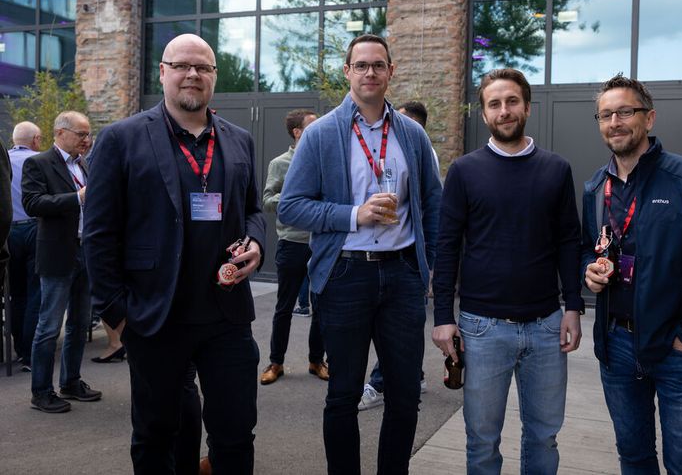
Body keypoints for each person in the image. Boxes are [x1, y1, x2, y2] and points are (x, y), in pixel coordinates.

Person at [83, 33, 266, 474]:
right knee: (155, 434)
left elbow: (254, 210)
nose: (192, 75)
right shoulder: (121, 139)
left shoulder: (238, 139)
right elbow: (98, 234)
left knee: (236, 433)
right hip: (154, 318)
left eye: (203, 67)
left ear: (214, 78)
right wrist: (118, 314)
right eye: (182, 65)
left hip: (227, 317)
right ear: (162, 72)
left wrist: (257, 243)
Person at [279, 34, 442, 475]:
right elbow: (291, 205)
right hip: (345, 275)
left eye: (379, 65)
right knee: (343, 394)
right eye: (361, 65)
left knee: (405, 393)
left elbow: (433, 203)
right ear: (347, 72)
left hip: (403, 275)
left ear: (391, 72)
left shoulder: (412, 134)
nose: (370, 72)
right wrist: (354, 215)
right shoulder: (320, 134)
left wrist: (429, 270)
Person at [582, 74, 682, 474]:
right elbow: (589, 248)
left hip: (680, 349)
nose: (615, 121)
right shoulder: (594, 189)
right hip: (617, 345)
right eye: (606, 114)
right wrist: (588, 271)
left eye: (625, 111)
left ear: (649, 118)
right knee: (634, 458)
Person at [432, 68, 583, 475]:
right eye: (495, 104)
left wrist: (573, 306)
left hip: (547, 326)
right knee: (481, 440)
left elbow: (570, 241)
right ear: (484, 114)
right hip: (482, 329)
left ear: (527, 107)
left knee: (543, 436)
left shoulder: (556, 169)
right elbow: (446, 248)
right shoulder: (464, 171)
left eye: (512, 101)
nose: (504, 111)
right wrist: (443, 317)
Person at [21, 111, 101, 413]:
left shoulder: (84, 164)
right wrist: (76, 197)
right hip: (57, 253)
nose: (86, 140)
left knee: (80, 324)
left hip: (85, 251)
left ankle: (70, 381)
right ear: (60, 133)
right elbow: (33, 203)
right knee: (49, 326)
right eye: (81, 134)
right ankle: (41, 391)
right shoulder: (38, 163)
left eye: (88, 134)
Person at [359, 101, 433, 411]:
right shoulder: (345, 138)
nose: (388, 128)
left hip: (403, 261)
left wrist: (427, 264)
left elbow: (433, 205)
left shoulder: (419, 150)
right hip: (355, 263)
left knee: (398, 338)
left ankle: (384, 381)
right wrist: (355, 215)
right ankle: (408, 375)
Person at [260, 108, 328, 385]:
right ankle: (276, 363)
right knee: (284, 307)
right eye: (312, 125)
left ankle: (316, 361)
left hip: (322, 243)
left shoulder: (324, 160)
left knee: (322, 307)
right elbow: (266, 200)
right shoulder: (280, 163)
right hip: (291, 243)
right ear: (297, 132)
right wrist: (293, 203)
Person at [8, 121, 42, 372]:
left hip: (8, 231)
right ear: (36, 139)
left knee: (16, 293)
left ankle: (19, 346)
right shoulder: (40, 161)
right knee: (35, 292)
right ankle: (30, 353)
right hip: (34, 229)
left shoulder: (4, 160)